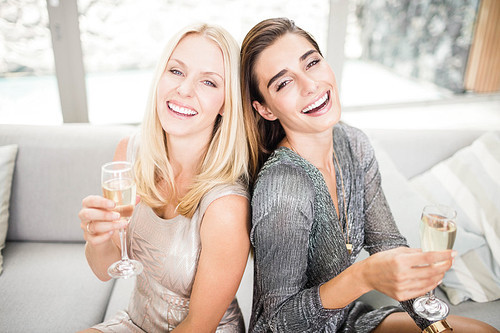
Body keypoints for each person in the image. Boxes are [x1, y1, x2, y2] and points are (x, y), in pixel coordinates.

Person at [240, 18, 497, 333]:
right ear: (266, 109)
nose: (310, 85)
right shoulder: (282, 186)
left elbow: (386, 242)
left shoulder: (353, 143)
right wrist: (363, 276)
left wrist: (432, 325)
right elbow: (278, 323)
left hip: (349, 322)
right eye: (284, 82)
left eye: (312, 64)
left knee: (480, 331)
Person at [78, 23, 256, 332]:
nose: (184, 90)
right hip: (135, 321)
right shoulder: (130, 152)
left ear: (226, 104)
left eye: (209, 82)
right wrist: (96, 239)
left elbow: (199, 325)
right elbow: (104, 270)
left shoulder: (226, 205)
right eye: (176, 71)